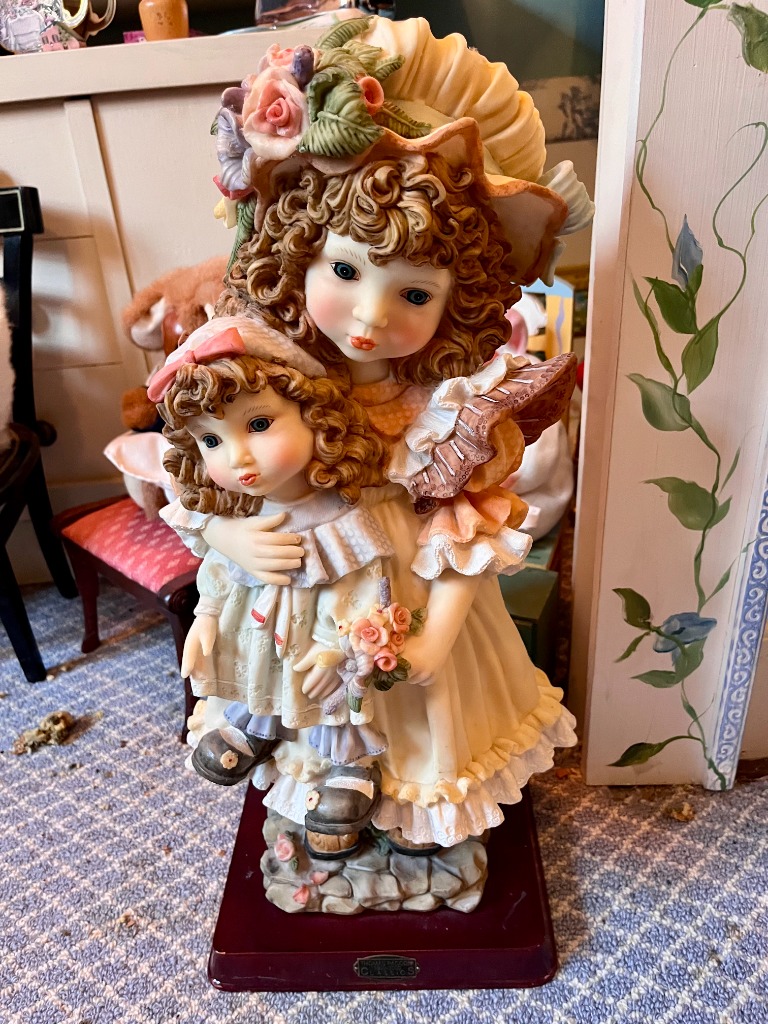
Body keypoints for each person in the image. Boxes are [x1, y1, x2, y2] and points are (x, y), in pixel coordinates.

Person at [161, 15, 590, 855]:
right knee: (281, 661)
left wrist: (435, 636)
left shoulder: (446, 412)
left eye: (414, 294)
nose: (368, 316)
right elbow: (204, 461)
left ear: (457, 300)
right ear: (300, 253)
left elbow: (467, 531)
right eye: (346, 270)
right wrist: (225, 536)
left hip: (402, 588)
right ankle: (270, 729)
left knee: (401, 705)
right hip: (285, 574)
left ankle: (383, 790)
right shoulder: (260, 364)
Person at [151, 314, 407, 856]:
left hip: (320, 639)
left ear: (315, 416)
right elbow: (221, 571)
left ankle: (349, 768)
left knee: (333, 699)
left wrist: (339, 648)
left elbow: (366, 588)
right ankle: (256, 723)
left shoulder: (337, 516)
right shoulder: (242, 511)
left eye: (260, 424)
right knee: (259, 670)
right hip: (261, 631)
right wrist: (206, 617)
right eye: (212, 440)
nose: (237, 458)